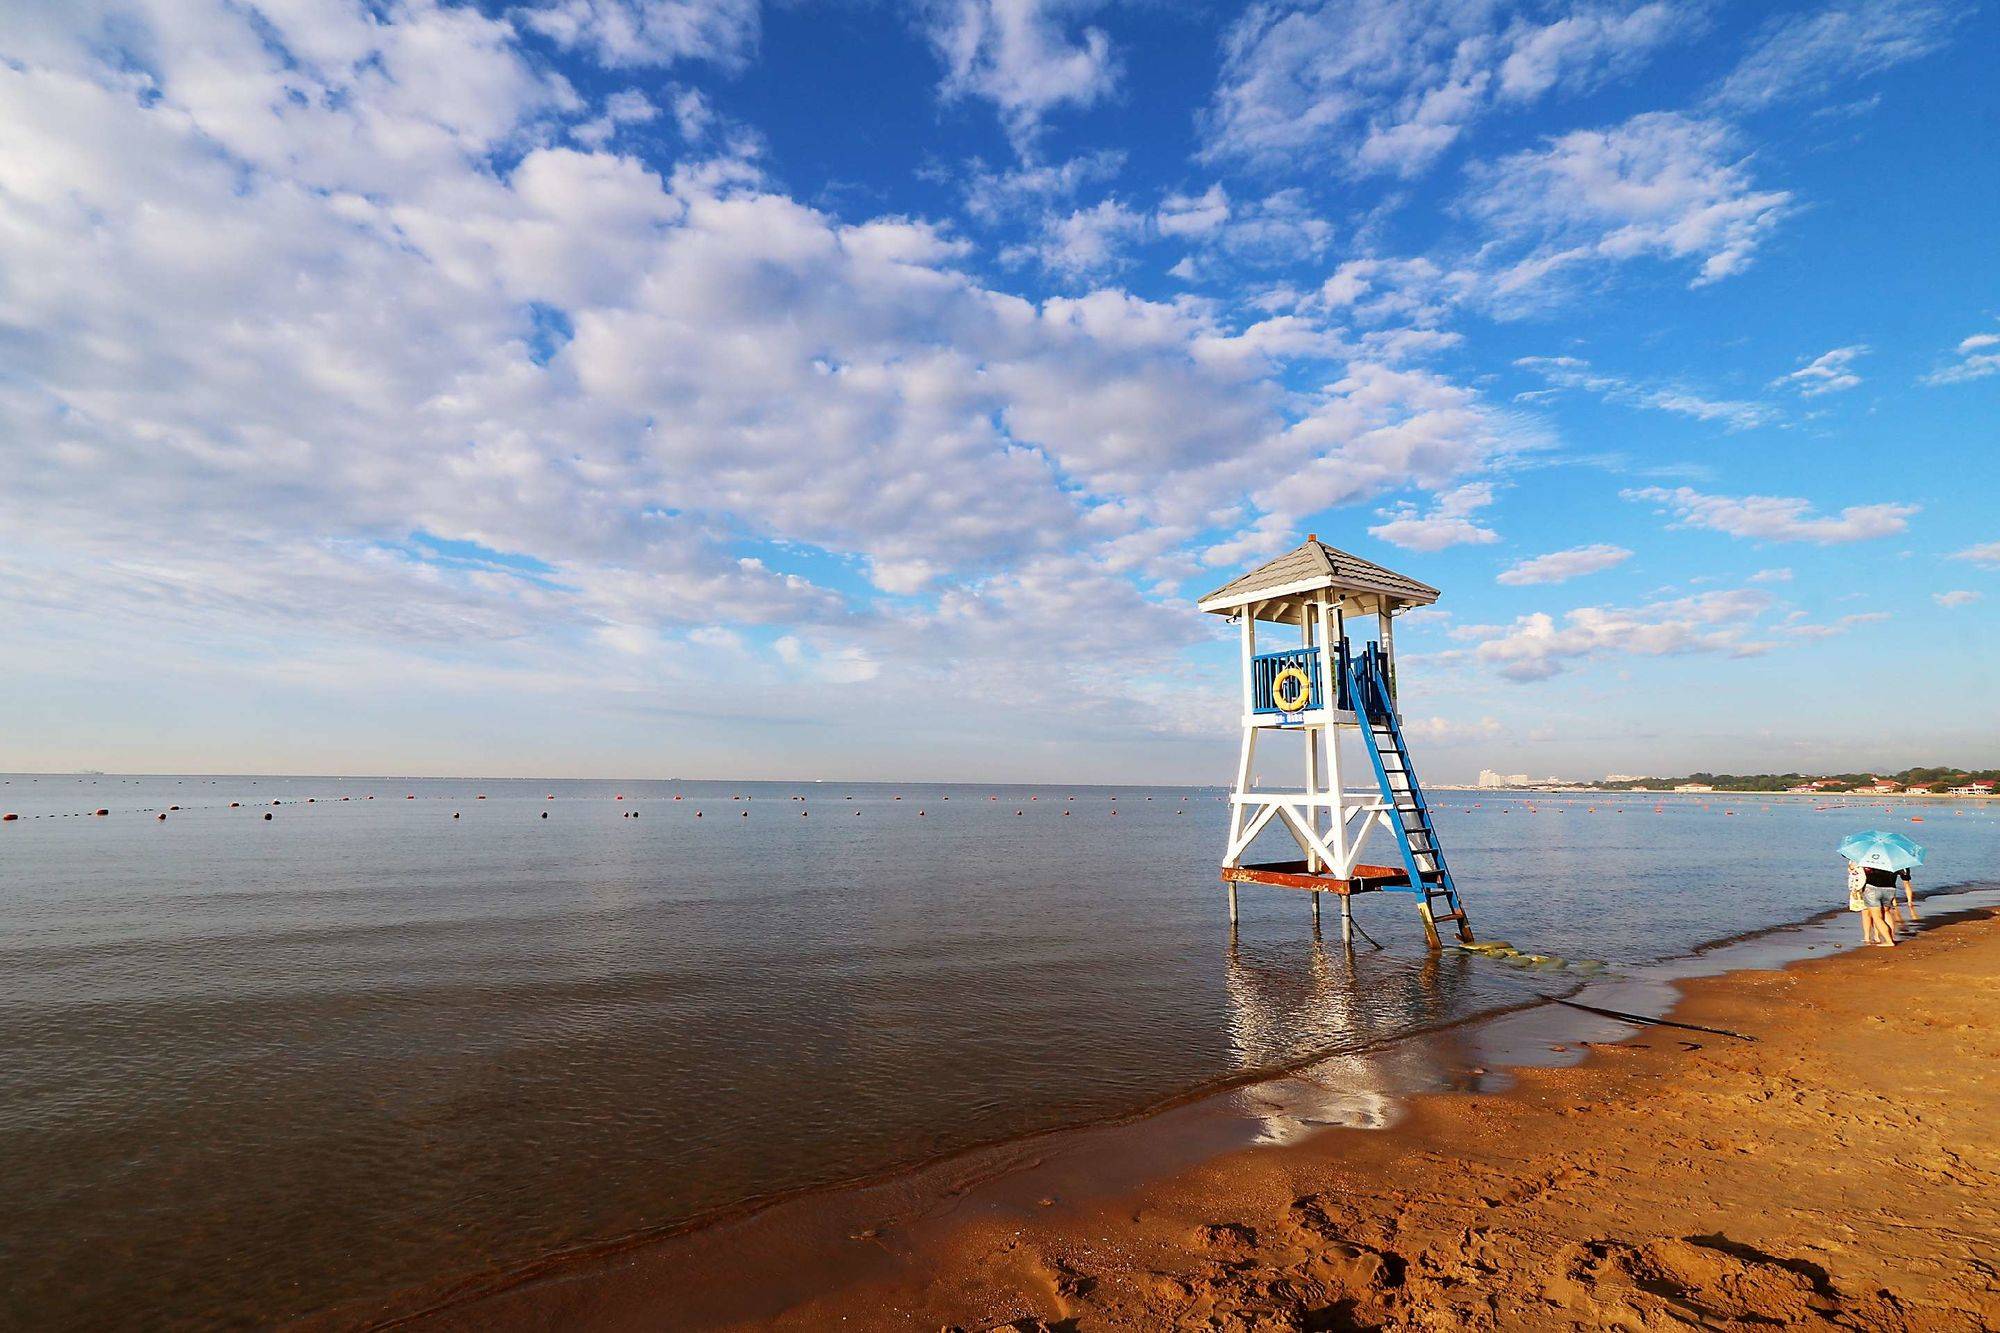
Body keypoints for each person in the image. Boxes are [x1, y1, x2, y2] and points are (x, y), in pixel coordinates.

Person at [1858, 862, 1900, 947]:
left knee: (1877, 917)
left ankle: (1889, 941)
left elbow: (1865, 873)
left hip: (1873, 888)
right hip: (1890, 888)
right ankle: (1890, 937)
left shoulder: (1871, 860)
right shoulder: (1893, 860)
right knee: (1886, 913)